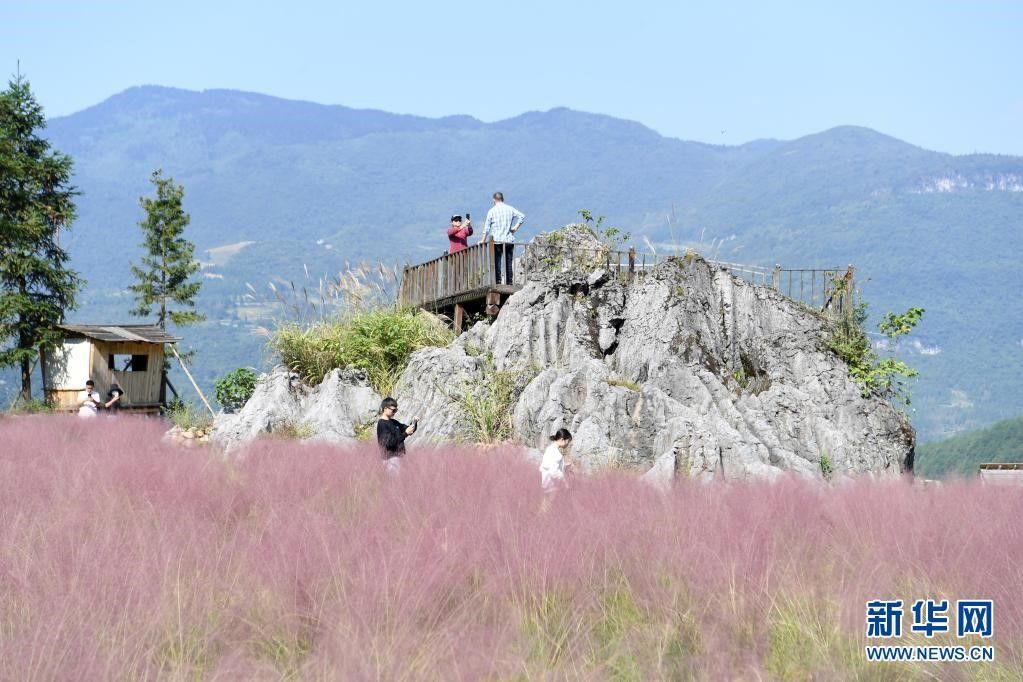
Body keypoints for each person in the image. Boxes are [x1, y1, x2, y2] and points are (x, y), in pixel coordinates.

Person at [480, 191, 525, 285]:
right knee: (508, 262)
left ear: (494, 199)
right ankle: (509, 282)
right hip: (508, 240)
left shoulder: (492, 211)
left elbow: (486, 228)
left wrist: (482, 240)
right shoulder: (510, 209)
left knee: (497, 263)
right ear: (502, 199)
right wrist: (515, 228)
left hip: (497, 241)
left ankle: (498, 281)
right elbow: (522, 216)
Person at [376, 397, 418, 472]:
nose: (395, 412)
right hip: (390, 459)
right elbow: (390, 443)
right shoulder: (382, 424)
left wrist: (414, 422)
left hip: (399, 457)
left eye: (396, 410)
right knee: (393, 483)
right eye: (393, 410)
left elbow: (409, 429)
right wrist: (405, 434)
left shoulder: (394, 422)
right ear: (385, 408)